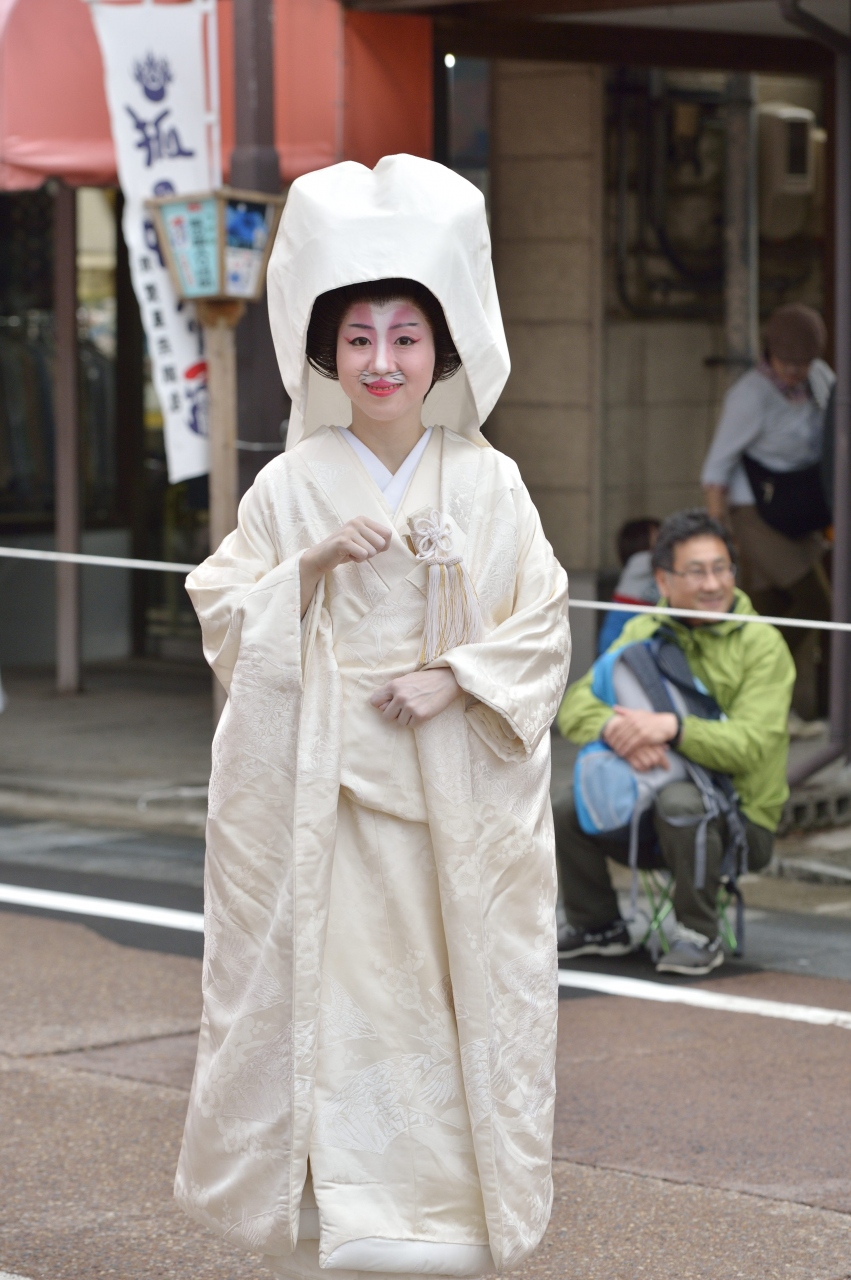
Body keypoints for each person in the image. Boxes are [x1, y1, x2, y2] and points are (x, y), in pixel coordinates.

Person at [174, 156, 570, 1279]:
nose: (383, 361)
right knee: (328, 1008)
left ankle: (446, 1214)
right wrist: (305, 564)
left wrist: (455, 676)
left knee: (449, 1004)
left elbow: (539, 622)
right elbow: (222, 609)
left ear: (440, 350)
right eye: (358, 338)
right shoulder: (288, 486)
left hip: (449, 803)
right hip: (324, 802)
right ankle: (335, 1210)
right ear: (325, 352)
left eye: (405, 336)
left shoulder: (486, 485)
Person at [554, 508, 794, 977]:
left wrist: (673, 728)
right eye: (697, 571)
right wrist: (617, 731)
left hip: (741, 817)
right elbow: (575, 705)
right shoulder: (643, 629)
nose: (713, 584)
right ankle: (598, 926)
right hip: (650, 801)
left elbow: (750, 745)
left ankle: (700, 932)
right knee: (567, 806)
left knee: (681, 800)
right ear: (663, 581)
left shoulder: (762, 645)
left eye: (721, 568)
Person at [701, 303, 834, 722]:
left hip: (804, 508)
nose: (794, 371)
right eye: (786, 362)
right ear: (768, 353)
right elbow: (715, 468)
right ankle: (756, 674)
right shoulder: (750, 395)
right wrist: (719, 533)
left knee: (772, 606)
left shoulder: (820, 379)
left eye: (803, 362)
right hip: (755, 512)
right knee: (817, 605)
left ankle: (777, 709)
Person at [596, 517, 660, 654]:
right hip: (620, 633)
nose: (664, 537)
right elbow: (675, 556)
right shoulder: (639, 561)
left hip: (639, 633)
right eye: (658, 534)